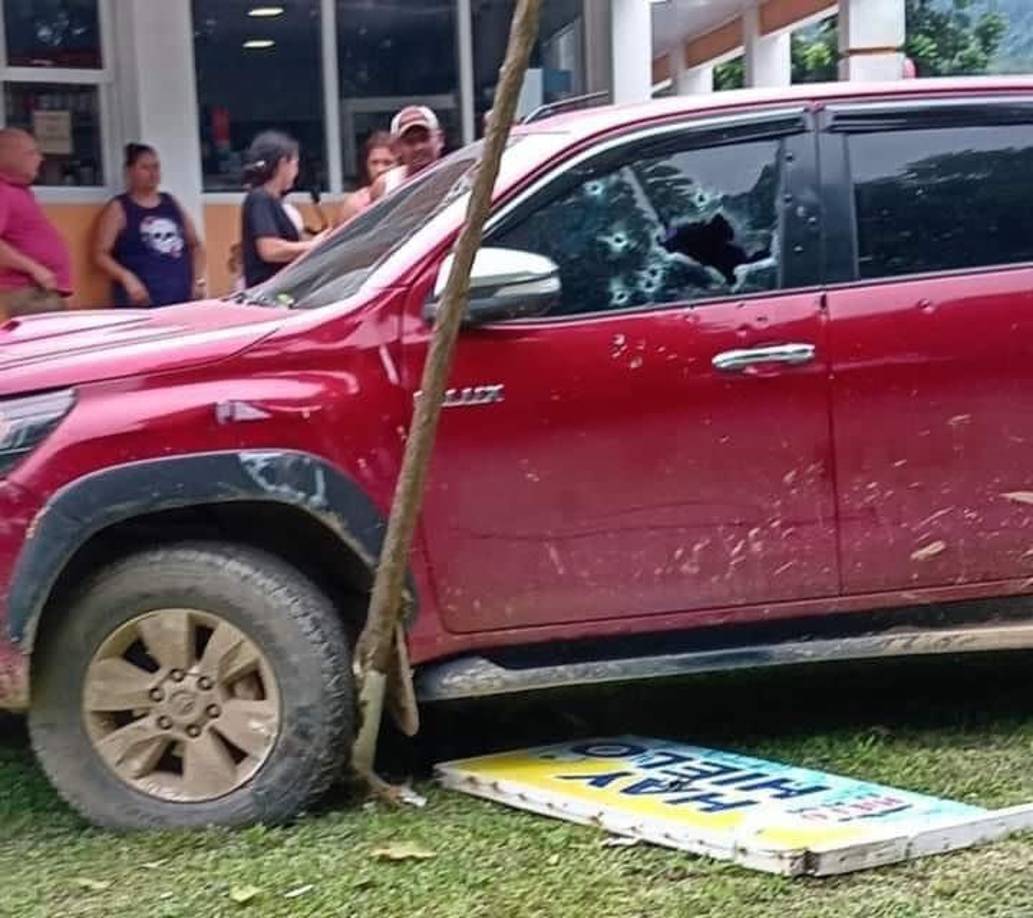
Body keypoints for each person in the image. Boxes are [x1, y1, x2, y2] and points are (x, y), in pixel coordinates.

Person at [94, 143, 206, 307]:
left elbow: (195, 245)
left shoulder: (171, 202)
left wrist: (198, 280)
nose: (153, 173)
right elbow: (100, 254)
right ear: (129, 171)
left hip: (181, 298)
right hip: (142, 301)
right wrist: (127, 278)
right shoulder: (119, 208)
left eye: (156, 167)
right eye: (145, 168)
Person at [0, 128, 71, 320]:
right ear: (9, 156)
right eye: (32, 153)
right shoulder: (3, 191)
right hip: (30, 292)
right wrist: (35, 269)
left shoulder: (19, 191)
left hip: (41, 290)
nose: (40, 159)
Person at [240, 131, 316, 287]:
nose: (297, 171)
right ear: (283, 164)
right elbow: (270, 249)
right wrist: (314, 246)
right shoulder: (260, 199)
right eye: (295, 164)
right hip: (268, 293)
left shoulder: (274, 202)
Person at [369, 106, 444, 204]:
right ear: (396, 148)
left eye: (424, 138)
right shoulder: (386, 185)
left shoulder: (459, 177)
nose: (419, 147)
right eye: (410, 141)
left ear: (440, 139)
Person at [336, 130, 396, 224]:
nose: (380, 169)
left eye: (387, 163)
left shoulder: (411, 193)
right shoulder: (355, 203)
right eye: (374, 163)